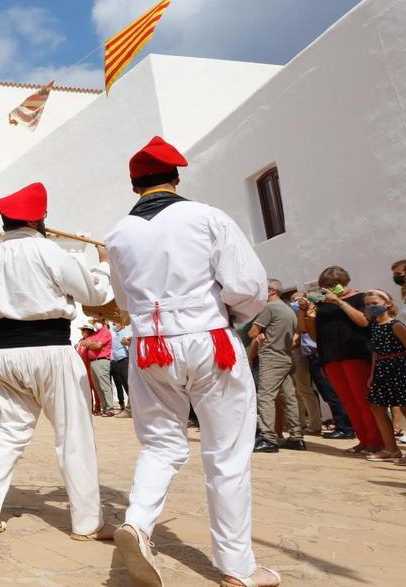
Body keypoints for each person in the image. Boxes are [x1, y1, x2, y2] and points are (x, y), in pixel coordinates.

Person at [105, 136, 277, 587]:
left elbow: (123, 299)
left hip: (149, 345)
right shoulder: (206, 217)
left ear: (133, 184)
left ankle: (138, 522)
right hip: (209, 339)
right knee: (226, 456)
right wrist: (229, 317)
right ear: (176, 177)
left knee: (161, 445)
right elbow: (248, 285)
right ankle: (237, 568)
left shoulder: (118, 234)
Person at [0, 181, 114, 540]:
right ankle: (86, 522)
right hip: (49, 350)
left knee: (6, 429)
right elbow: (94, 293)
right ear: (39, 219)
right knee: (73, 433)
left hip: (2, 354)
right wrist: (104, 264)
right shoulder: (49, 251)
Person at [293, 267, 383, 456]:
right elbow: (309, 331)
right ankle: (363, 440)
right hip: (330, 358)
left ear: (344, 282)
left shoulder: (360, 298)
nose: (329, 289)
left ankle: (376, 442)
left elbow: (364, 322)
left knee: (363, 401)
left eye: (333, 285)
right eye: (325, 286)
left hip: (355, 354)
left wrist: (340, 303)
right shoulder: (322, 305)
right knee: (348, 401)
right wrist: (303, 312)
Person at [362, 290, 406, 465]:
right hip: (382, 370)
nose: (371, 307)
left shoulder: (396, 325)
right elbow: (376, 353)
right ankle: (391, 449)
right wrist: (372, 374)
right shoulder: (375, 327)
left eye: (374, 303)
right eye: (368, 304)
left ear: (387, 304)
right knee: (377, 407)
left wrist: (404, 367)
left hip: (400, 368)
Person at [250, 280, 304, 453]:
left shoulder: (269, 308)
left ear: (272, 290)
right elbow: (297, 335)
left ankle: (268, 438)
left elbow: (253, 333)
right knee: (289, 398)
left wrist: (261, 333)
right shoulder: (289, 310)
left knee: (265, 396)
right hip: (286, 358)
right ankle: (296, 437)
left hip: (271, 359)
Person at [80, 320, 115, 416]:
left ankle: (110, 408)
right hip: (93, 362)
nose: (95, 322)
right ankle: (105, 408)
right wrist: (93, 343)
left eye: (96, 320)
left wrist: (91, 344)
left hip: (102, 360)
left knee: (104, 385)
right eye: (94, 321)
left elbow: (98, 345)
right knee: (98, 387)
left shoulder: (106, 333)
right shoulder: (95, 334)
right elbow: (84, 342)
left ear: (102, 321)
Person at [112, 323, 132, 416]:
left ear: (122, 324)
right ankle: (130, 408)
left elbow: (130, 342)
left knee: (128, 385)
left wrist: (127, 342)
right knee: (125, 385)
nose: (113, 325)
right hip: (118, 361)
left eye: (115, 323)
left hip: (125, 360)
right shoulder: (117, 334)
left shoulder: (125, 332)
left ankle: (131, 409)